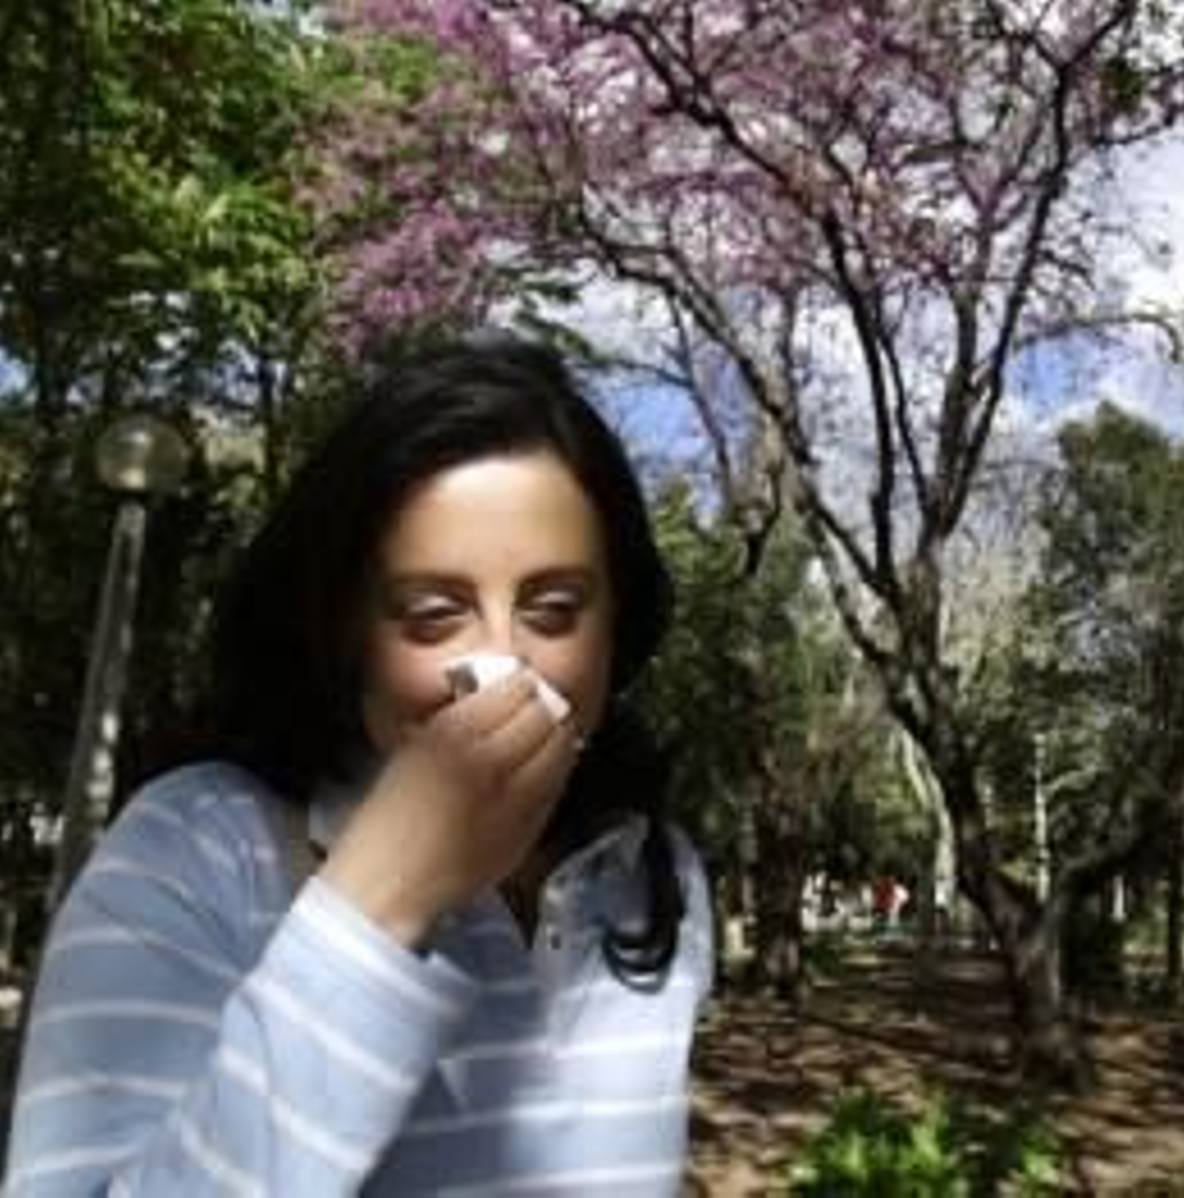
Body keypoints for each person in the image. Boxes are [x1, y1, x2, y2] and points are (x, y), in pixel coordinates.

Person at [5, 337, 714, 1195]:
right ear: (344, 631)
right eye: (431, 614)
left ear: (616, 628)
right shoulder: (195, 852)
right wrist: (380, 902)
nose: (503, 665)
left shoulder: (651, 873)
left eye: (555, 610)